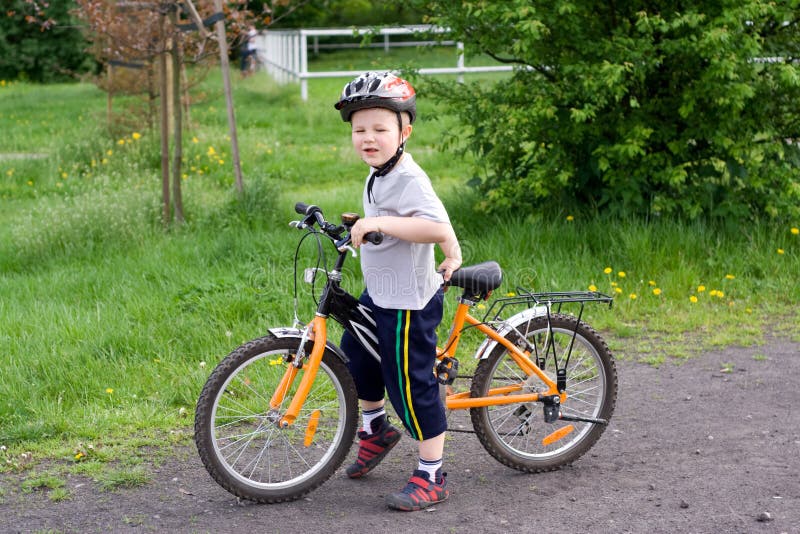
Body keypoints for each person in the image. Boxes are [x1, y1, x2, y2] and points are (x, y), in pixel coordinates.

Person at [334, 72, 462, 511]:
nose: (368, 138)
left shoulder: (408, 176)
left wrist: (381, 224)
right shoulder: (378, 174)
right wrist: (358, 226)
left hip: (409, 302)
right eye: (359, 129)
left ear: (404, 131)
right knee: (358, 352)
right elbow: (431, 222)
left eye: (380, 129)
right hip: (381, 292)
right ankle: (375, 429)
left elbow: (433, 223)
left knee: (410, 384)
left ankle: (432, 474)